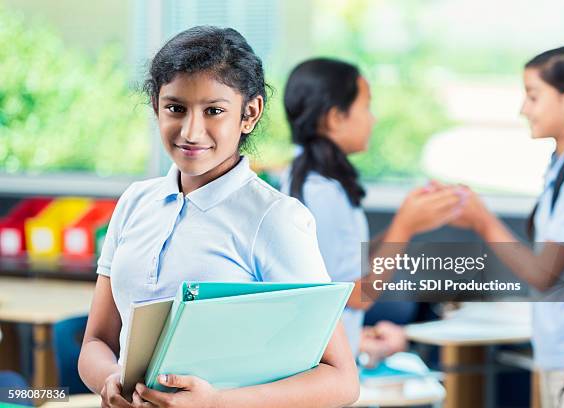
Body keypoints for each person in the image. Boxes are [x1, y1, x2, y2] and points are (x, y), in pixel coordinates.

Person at [78, 27, 360, 408]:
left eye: (214, 111)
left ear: (250, 113)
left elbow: (342, 381)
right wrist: (110, 380)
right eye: (175, 108)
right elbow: (96, 342)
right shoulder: (134, 202)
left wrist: (218, 401)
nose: (191, 131)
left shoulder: (276, 219)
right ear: (155, 105)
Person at [455, 46, 564, 407]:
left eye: (533, 96)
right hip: (561, 350)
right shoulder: (562, 164)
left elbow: (544, 273)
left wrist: (483, 221)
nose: (523, 109)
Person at [280, 58, 465, 359]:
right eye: (366, 107)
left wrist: (410, 219)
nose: (373, 119)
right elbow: (356, 295)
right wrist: (403, 229)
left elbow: (344, 263)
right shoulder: (318, 192)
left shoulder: (323, 182)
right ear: (334, 118)